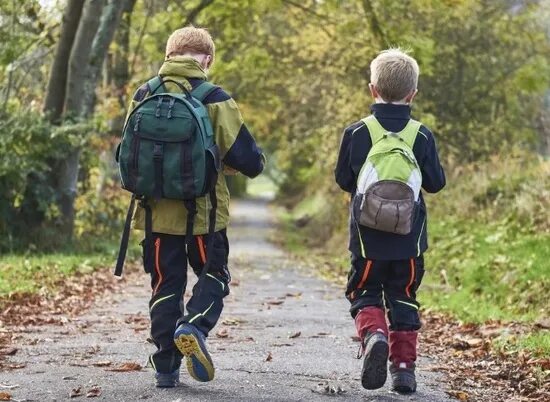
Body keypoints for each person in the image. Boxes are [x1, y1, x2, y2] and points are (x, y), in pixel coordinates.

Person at [125, 26, 265, 388]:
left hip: (154, 216)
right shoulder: (214, 97)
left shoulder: (144, 93)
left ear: (169, 55)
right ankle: (193, 325)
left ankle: (165, 367)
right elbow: (249, 161)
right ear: (206, 59)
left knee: (164, 284)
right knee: (213, 275)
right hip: (204, 217)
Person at [334, 48, 446, 393]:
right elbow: (435, 184)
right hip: (409, 240)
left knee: (363, 290)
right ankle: (403, 370)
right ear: (412, 94)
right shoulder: (421, 135)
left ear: (372, 90)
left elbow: (342, 179)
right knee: (404, 295)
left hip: (367, 240)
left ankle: (374, 335)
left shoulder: (357, 132)